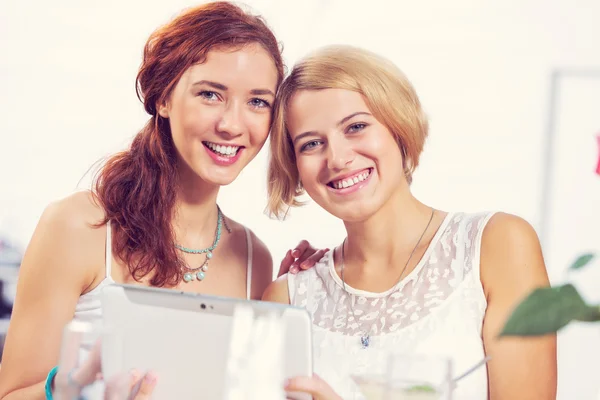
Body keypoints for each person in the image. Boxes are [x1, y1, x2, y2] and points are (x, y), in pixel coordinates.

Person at [0, 3, 326, 399]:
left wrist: (297, 291)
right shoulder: (77, 226)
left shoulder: (252, 257)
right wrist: (75, 392)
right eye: (210, 94)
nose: (232, 124)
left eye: (258, 101)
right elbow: (11, 393)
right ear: (163, 99)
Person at [263, 45, 557, 399]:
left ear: (398, 127)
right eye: (311, 144)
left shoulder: (497, 247)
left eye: (356, 126)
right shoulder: (286, 298)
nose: (337, 158)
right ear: (295, 167)